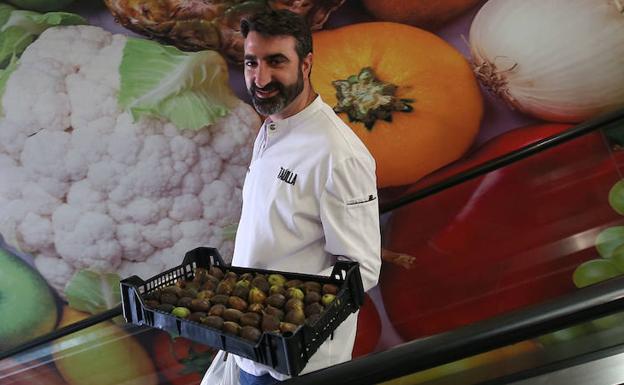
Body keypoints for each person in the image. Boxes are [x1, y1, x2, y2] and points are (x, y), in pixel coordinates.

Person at [232, 9, 381, 384]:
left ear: (307, 63)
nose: (260, 78)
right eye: (252, 63)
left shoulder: (338, 153)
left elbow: (362, 269)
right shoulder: (274, 125)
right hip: (247, 343)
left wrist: (281, 319)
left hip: (297, 363)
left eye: (276, 62)